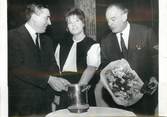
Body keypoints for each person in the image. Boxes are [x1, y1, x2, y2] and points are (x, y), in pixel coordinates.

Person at [8, 3, 70, 116]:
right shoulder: (12, 37)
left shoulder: (47, 40)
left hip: (45, 105)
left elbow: (52, 65)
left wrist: (58, 81)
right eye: (47, 17)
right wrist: (48, 80)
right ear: (34, 16)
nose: (50, 22)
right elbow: (18, 69)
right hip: (22, 107)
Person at [100, 2, 158, 116]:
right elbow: (105, 67)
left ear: (124, 16)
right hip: (119, 102)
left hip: (145, 97)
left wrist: (155, 76)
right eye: (108, 20)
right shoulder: (105, 42)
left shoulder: (146, 33)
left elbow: (157, 59)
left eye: (113, 19)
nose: (110, 23)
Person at [54, 8, 101, 108]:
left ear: (83, 23)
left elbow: (91, 68)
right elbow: (56, 70)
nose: (73, 25)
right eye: (70, 22)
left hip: (83, 93)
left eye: (77, 21)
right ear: (67, 26)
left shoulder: (93, 45)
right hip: (63, 93)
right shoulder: (61, 45)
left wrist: (77, 92)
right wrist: (57, 94)